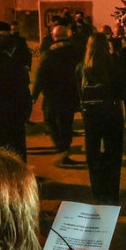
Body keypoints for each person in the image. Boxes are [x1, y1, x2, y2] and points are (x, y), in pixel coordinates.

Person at [79, 34, 126, 205]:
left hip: (91, 113)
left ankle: (98, 192)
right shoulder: (113, 64)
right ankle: (112, 193)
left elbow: (79, 92)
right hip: (112, 111)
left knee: (93, 153)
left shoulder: (83, 68)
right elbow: (123, 90)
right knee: (113, 153)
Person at [32, 25, 82, 161]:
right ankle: (65, 147)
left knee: (50, 120)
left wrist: (34, 95)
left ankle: (61, 147)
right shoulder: (76, 51)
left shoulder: (49, 53)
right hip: (70, 93)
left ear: (54, 37)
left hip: (52, 94)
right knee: (66, 122)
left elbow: (40, 74)